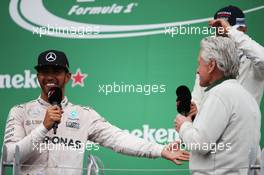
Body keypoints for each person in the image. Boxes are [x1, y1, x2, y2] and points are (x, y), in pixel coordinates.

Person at [3, 50, 189, 175]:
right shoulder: (20, 111)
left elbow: (119, 139)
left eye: (57, 71)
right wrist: (43, 128)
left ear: (67, 77)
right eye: (44, 71)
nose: (50, 76)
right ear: (37, 77)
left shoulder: (84, 114)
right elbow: (9, 158)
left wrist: (159, 150)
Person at [191, 5, 264, 174]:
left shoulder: (254, 62)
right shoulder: (211, 63)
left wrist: (231, 31)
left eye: (225, 31)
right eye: (218, 31)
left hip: (241, 152)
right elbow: (198, 101)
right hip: (211, 151)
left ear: (243, 30)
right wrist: (192, 112)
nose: (221, 35)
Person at [175, 36, 261, 174]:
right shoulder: (246, 96)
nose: (197, 71)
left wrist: (183, 125)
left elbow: (200, 144)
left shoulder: (219, 94)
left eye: (199, 64)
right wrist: (196, 118)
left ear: (211, 65)